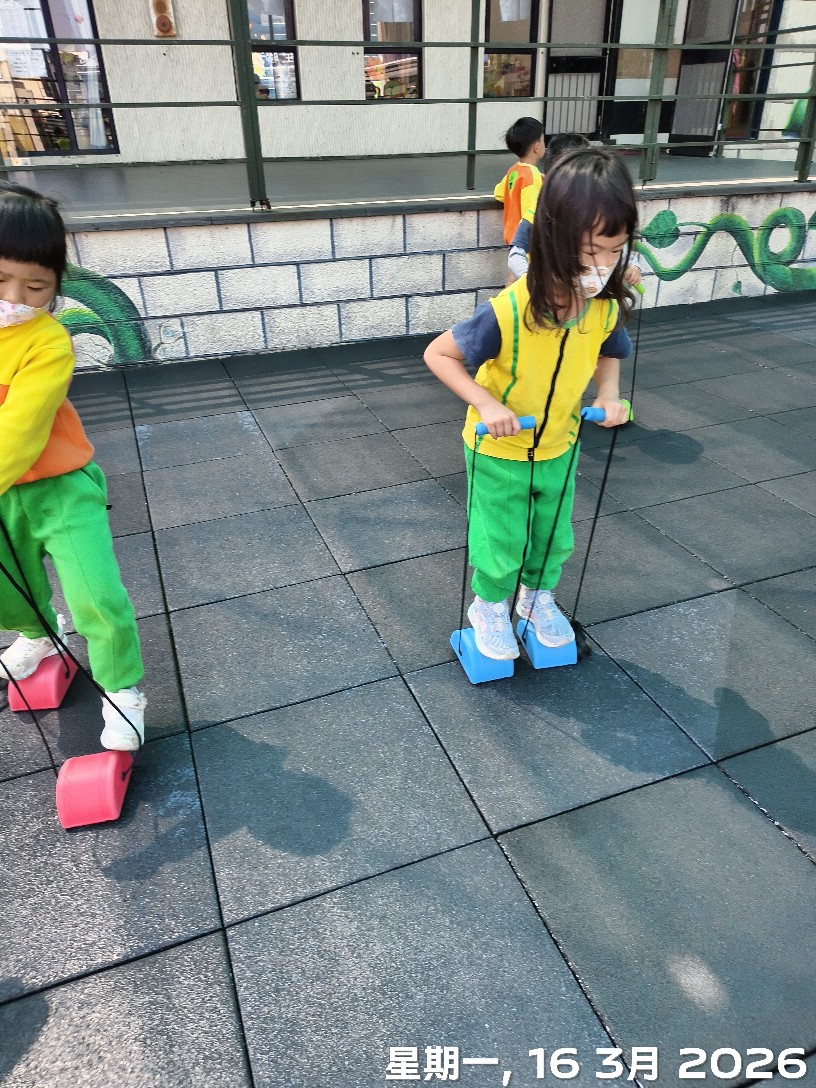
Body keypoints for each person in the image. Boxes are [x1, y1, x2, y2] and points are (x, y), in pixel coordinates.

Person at [424, 148, 637, 662]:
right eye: (591, 253)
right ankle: (489, 606)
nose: (602, 267)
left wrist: (608, 395)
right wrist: (486, 404)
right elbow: (438, 354)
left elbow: (608, 350)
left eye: (615, 252)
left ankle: (536, 598)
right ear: (553, 240)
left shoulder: (603, 306)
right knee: (501, 538)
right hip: (500, 449)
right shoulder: (510, 309)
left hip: (559, 444)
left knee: (552, 535)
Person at [0, 182, 146, 750]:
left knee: (95, 595)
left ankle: (123, 690)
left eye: (36, 287)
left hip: (61, 489)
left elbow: (20, 430)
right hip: (4, 497)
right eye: (1, 279)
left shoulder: (47, 342)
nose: (16, 298)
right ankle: (38, 633)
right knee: (9, 589)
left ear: (55, 287)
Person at [493, 116, 545, 249]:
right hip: (526, 242)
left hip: (513, 239)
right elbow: (531, 212)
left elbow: (499, 193)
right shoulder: (532, 175)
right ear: (537, 147)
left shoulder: (514, 170)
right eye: (543, 140)